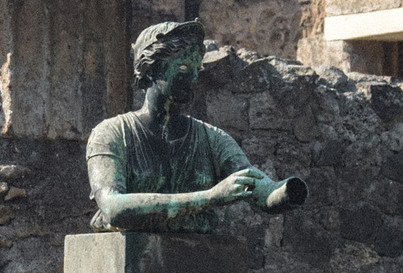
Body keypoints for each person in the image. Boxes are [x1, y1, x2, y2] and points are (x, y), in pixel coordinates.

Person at [86, 19, 305, 231]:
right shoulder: (111, 134)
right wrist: (209, 197)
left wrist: (284, 192)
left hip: (195, 257)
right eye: (182, 67)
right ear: (150, 68)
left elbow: (262, 191)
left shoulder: (213, 139)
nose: (193, 77)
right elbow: (112, 207)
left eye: (196, 68)